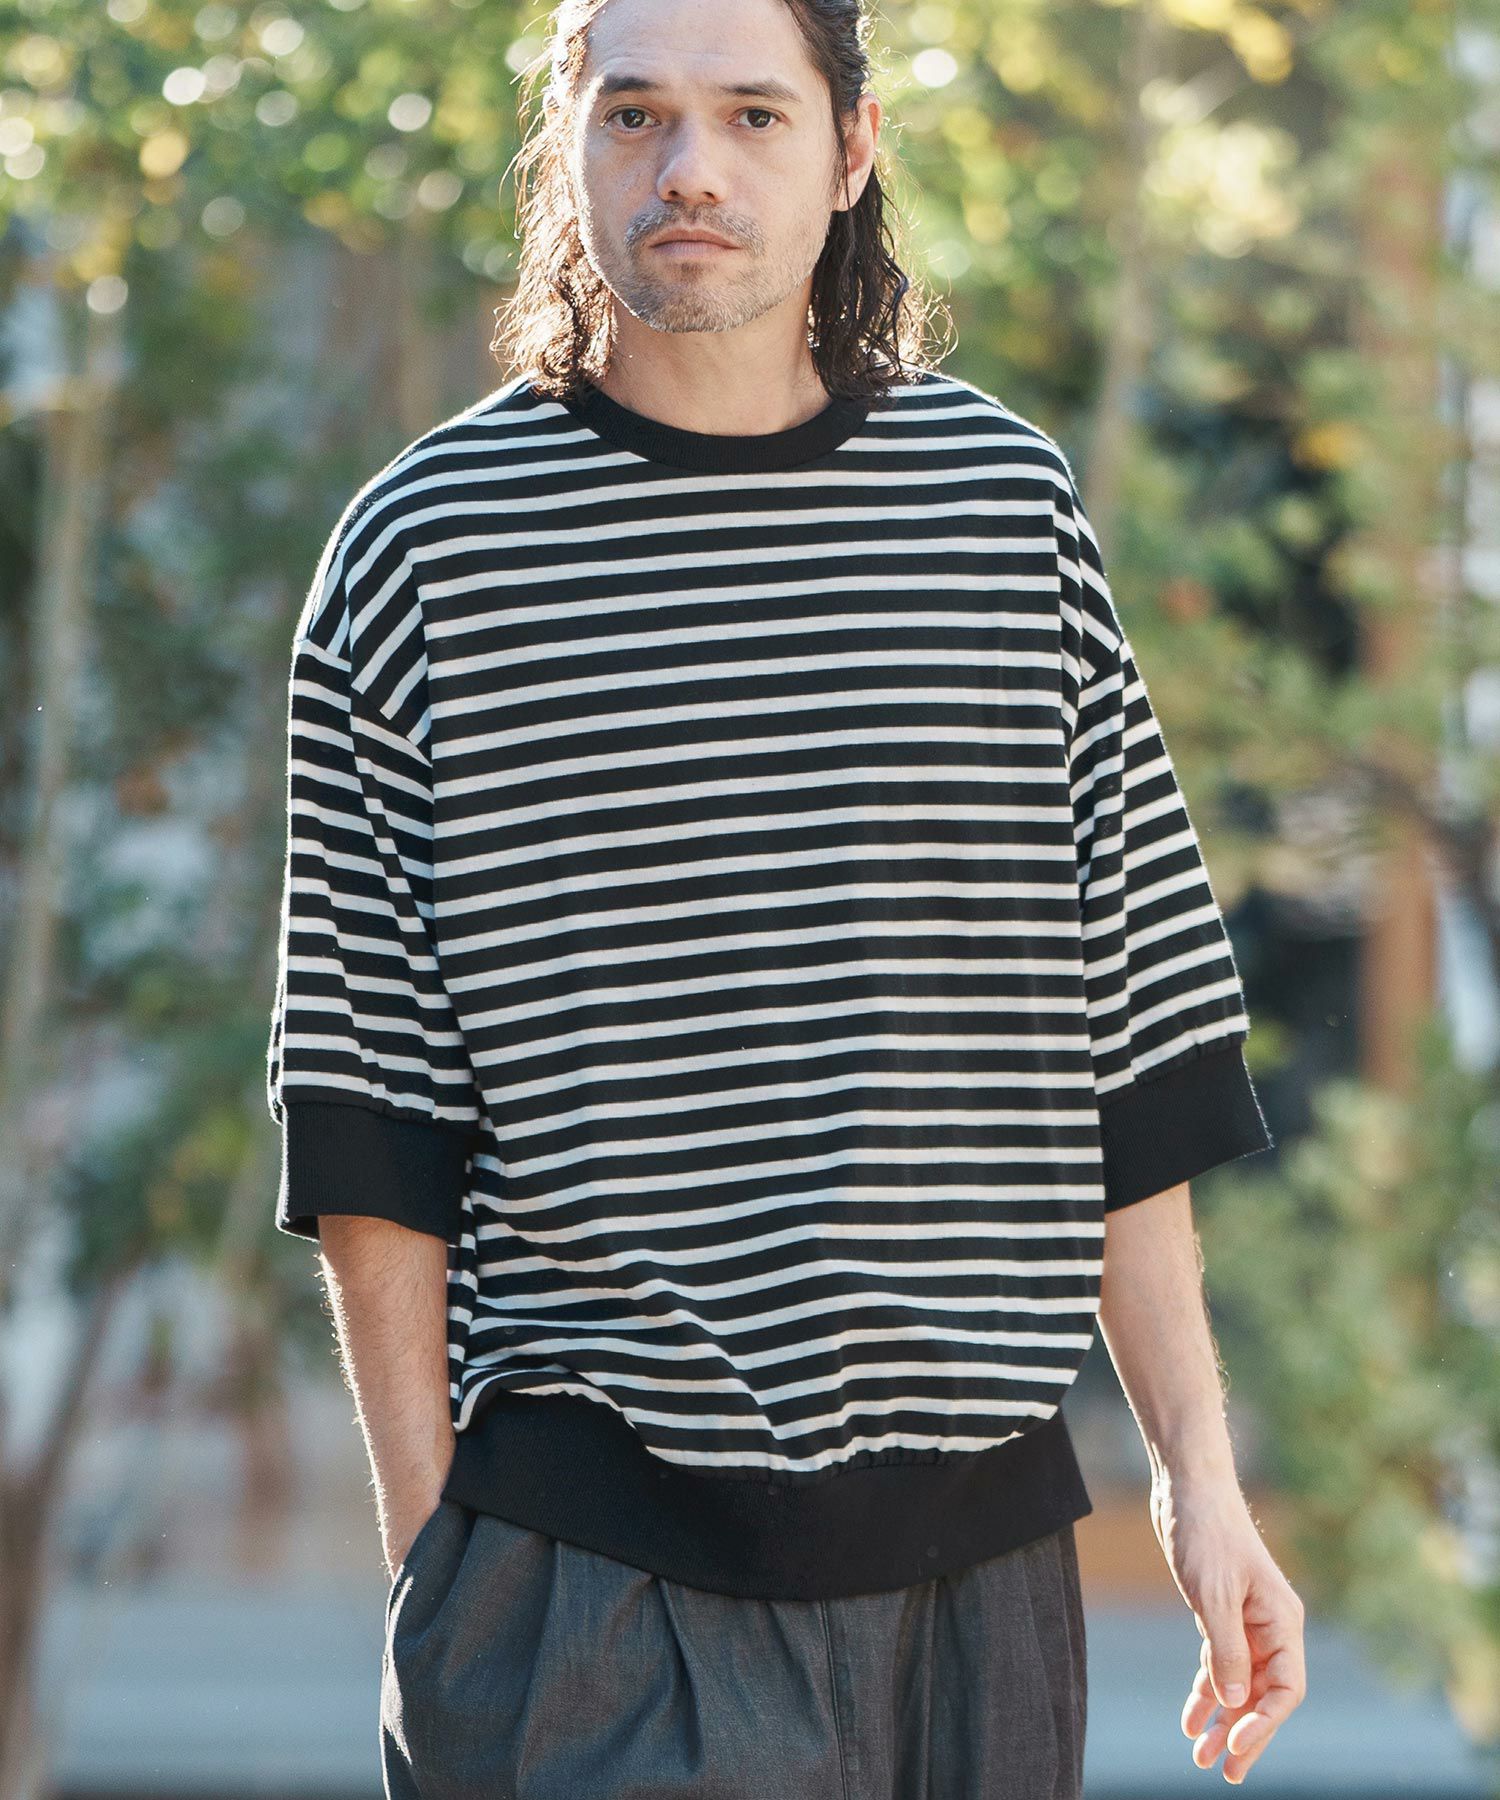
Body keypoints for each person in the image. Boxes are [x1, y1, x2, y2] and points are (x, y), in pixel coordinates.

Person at [265, 0, 1307, 1792]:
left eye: (753, 114)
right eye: (636, 115)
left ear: (851, 150)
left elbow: (1129, 1038)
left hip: (981, 1583)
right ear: (568, 144)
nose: (691, 169)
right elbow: (373, 1125)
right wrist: (437, 1587)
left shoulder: (1000, 511)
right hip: (593, 1579)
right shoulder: (426, 552)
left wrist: (1200, 1484)